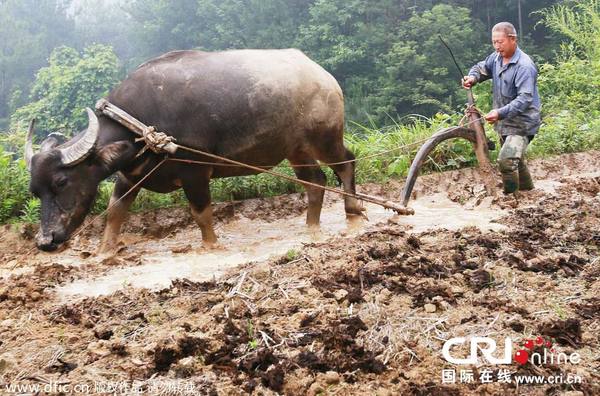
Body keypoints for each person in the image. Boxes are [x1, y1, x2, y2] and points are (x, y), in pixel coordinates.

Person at [462, 22, 541, 194]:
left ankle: (510, 198)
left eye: (501, 42)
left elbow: (525, 99)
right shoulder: (496, 58)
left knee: (506, 161)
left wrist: (500, 112)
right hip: (505, 121)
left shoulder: (524, 66)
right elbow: (481, 68)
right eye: (494, 42)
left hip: (522, 124)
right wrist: (472, 78)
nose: (497, 46)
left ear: (513, 40)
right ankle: (528, 191)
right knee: (515, 160)